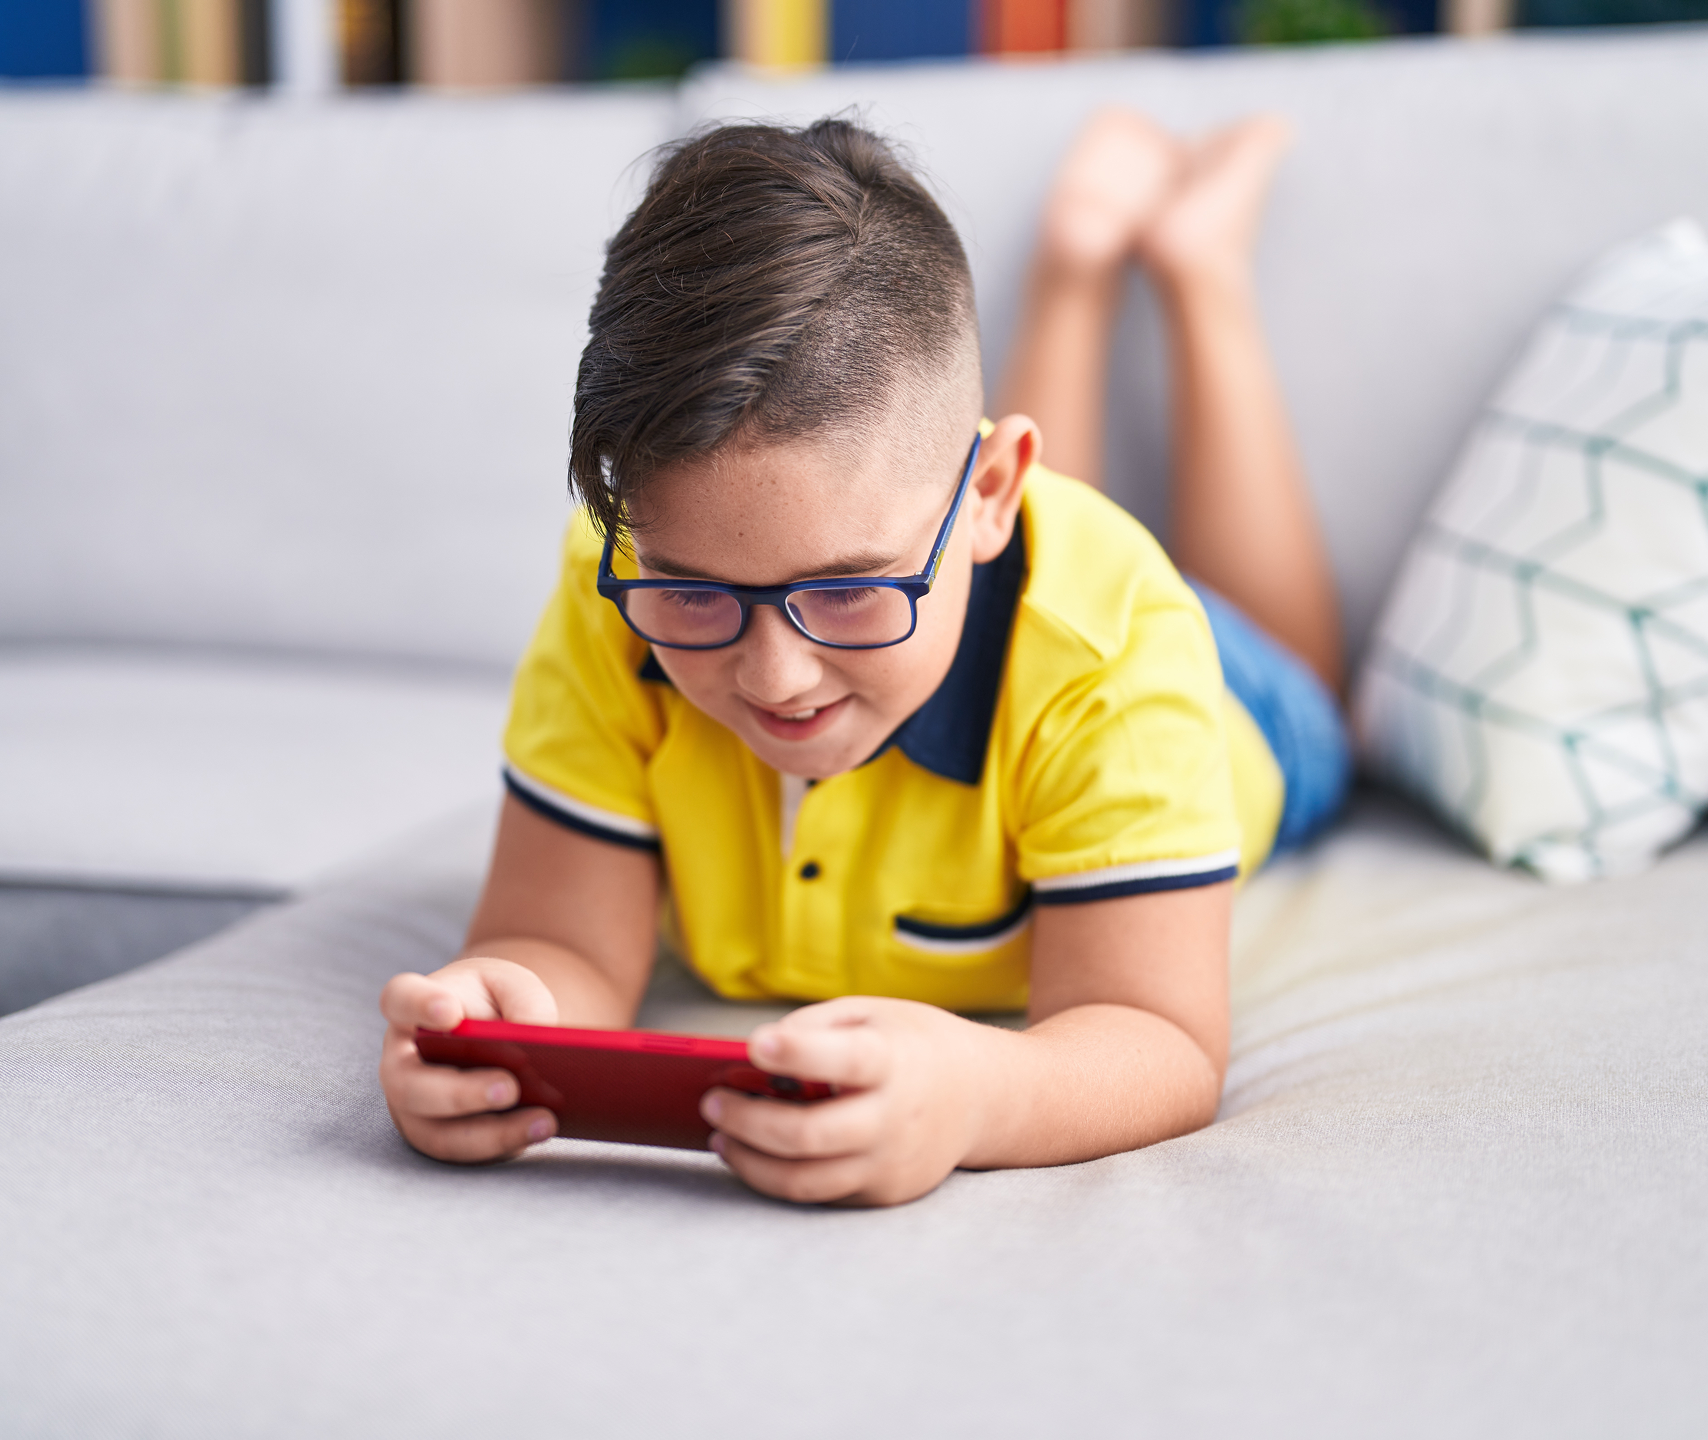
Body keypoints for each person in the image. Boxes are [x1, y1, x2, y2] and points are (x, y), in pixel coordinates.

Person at [377, 110, 1351, 1207]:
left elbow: (1157, 1039)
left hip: (1232, 698)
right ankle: (1077, 265)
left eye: (846, 588)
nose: (775, 679)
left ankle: (1191, 265)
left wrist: (979, 1093)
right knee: (926, 521)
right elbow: (555, 939)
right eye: (693, 592)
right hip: (984, 575)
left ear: (994, 495)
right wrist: (504, 1017)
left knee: (1300, 668)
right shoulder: (615, 583)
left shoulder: (1116, 649)